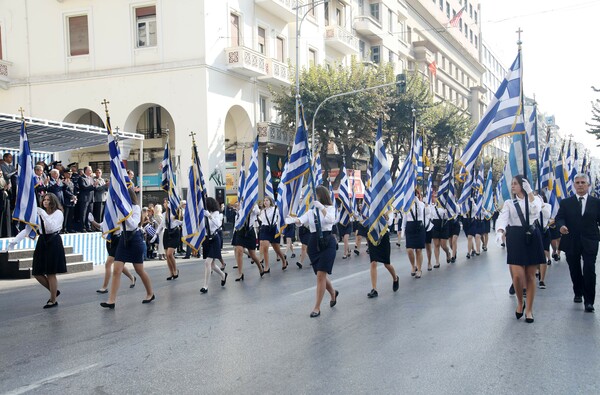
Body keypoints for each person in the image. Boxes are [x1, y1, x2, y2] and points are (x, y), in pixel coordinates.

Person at [495, 175, 543, 323]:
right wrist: (500, 231)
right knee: (517, 276)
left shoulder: (535, 200)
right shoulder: (509, 203)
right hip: (515, 237)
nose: (513, 186)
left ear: (523, 185)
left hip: (532, 236)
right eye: (512, 184)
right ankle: (520, 302)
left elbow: (536, 210)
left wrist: (530, 193)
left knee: (530, 276)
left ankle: (529, 309)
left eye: (515, 183)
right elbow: (503, 217)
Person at [9, 193, 66, 308]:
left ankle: (53, 300)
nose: (45, 202)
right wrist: (14, 242)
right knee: (37, 271)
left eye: (48, 200)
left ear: (53, 201)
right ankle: (53, 291)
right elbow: (28, 229)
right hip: (43, 241)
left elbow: (51, 227)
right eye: (44, 199)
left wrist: (43, 214)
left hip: (53, 240)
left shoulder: (58, 213)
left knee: (51, 272)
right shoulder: (39, 214)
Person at [100, 188, 155, 309]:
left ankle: (150, 293)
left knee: (139, 270)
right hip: (123, 239)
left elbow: (133, 224)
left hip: (134, 239)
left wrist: (125, 214)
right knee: (117, 269)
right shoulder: (118, 208)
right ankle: (111, 300)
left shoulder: (135, 208)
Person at [289, 186, 338, 317]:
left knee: (321, 275)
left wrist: (322, 208)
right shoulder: (311, 212)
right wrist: (293, 220)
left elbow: (330, 220)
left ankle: (317, 307)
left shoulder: (330, 209)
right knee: (320, 275)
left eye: (315, 194)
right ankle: (333, 292)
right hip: (314, 243)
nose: (312, 197)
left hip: (327, 242)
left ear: (321, 195)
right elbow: (301, 220)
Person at [556, 173, 600, 313]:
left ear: (588, 185)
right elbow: (559, 218)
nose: (580, 185)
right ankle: (578, 291)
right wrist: (561, 226)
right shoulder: (566, 202)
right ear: (574, 185)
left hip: (590, 241)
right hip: (571, 240)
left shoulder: (596, 202)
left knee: (589, 270)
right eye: (578, 182)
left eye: (583, 182)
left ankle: (589, 302)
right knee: (574, 269)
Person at [88, 213, 136, 293]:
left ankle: (104, 287)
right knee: (118, 263)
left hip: (118, 240)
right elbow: (101, 226)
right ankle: (132, 277)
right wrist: (92, 221)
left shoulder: (119, 215)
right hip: (110, 241)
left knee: (108, 263)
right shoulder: (110, 214)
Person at [366, 209, 399, 298]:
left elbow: (389, 222)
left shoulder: (389, 208)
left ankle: (395, 278)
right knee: (373, 262)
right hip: (373, 234)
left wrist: (384, 214)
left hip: (384, 235)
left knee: (387, 264)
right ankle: (374, 289)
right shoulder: (373, 205)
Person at [200, 197, 228, 293]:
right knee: (212, 265)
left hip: (214, 238)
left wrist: (209, 216)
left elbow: (218, 224)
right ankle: (223, 275)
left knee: (207, 263)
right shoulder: (203, 214)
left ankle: (205, 286)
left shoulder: (216, 213)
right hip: (207, 239)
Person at [231, 202, 264, 281]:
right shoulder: (240, 204)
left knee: (252, 254)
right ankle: (240, 273)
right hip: (240, 230)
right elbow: (238, 217)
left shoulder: (253, 204)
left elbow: (258, 213)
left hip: (249, 230)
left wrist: (252, 208)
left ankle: (260, 266)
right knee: (239, 251)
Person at [152, 198, 182, 280]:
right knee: (167, 255)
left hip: (174, 232)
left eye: (166, 202)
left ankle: (175, 269)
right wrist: (156, 234)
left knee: (169, 253)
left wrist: (177, 220)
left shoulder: (175, 213)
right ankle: (171, 272)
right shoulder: (164, 214)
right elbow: (161, 225)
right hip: (166, 233)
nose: (165, 204)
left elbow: (182, 221)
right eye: (164, 202)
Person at [402, 191, 429, 278]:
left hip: (419, 227)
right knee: (409, 250)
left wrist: (417, 201)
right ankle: (413, 266)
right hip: (410, 227)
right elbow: (404, 218)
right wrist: (403, 230)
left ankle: (419, 269)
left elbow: (422, 213)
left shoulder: (420, 204)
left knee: (418, 250)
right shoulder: (406, 205)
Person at [258, 196, 287, 272]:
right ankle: (267, 266)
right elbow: (261, 219)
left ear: (270, 201)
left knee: (277, 249)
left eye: (267, 200)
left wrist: (281, 230)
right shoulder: (262, 211)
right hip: (264, 229)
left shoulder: (275, 209)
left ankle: (284, 260)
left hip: (273, 229)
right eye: (264, 200)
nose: (265, 202)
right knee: (265, 247)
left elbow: (281, 219)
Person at [429, 190, 451, 269]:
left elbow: (449, 216)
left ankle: (447, 253)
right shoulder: (431, 206)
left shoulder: (444, 205)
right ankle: (437, 262)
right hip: (435, 224)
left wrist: (446, 213)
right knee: (436, 244)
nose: (435, 198)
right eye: (434, 197)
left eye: (436, 197)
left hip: (443, 224)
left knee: (443, 245)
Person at [536, 194, 552, 289]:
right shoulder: (532, 207)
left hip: (545, 232)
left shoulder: (547, 206)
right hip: (536, 232)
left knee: (543, 255)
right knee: (535, 255)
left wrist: (541, 205)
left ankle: (542, 280)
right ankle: (537, 270)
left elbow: (547, 215)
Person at [78, 166, 95, 232]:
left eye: (91, 170)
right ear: (85, 171)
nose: (91, 171)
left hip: (91, 198)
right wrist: (92, 186)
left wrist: (95, 186)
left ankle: (88, 226)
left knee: (89, 213)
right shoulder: (81, 178)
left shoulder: (91, 178)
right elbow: (83, 187)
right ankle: (83, 227)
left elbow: (93, 188)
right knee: (83, 213)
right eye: (89, 170)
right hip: (84, 198)